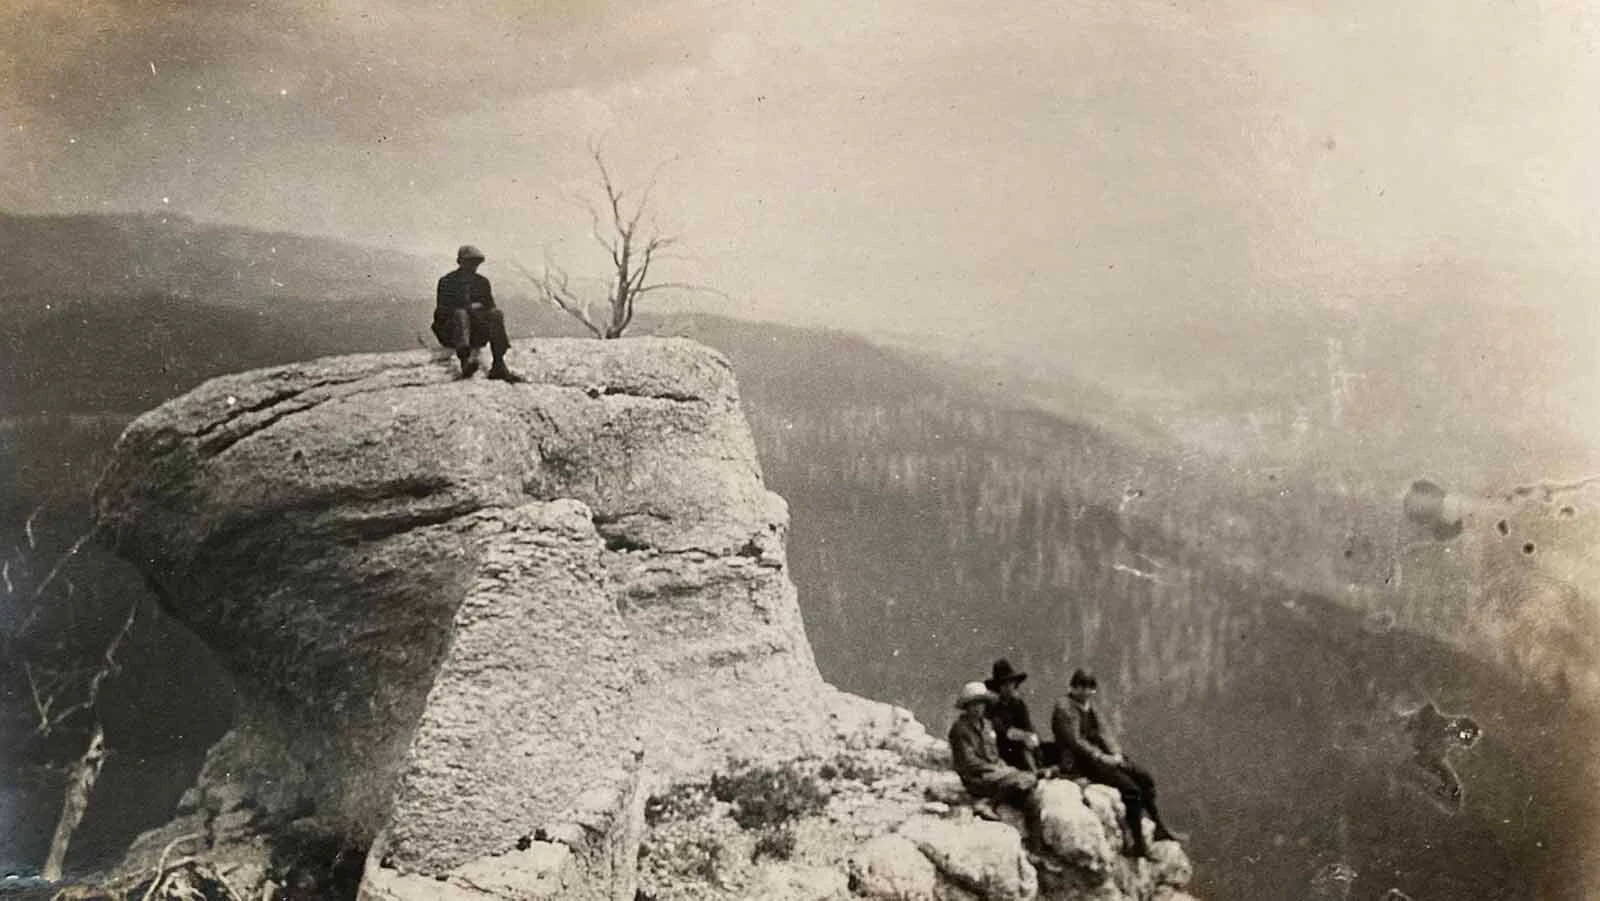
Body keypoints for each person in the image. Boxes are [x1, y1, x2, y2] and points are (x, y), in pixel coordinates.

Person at [1051, 669, 1173, 857]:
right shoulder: (1064, 708)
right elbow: (1076, 742)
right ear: (1073, 688)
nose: (1086, 692)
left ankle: (1159, 826)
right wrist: (1103, 757)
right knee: (1130, 789)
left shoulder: (1088, 707)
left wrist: (1116, 754)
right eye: (1081, 687)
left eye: (1090, 688)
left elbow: (1103, 732)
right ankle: (1138, 842)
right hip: (1080, 762)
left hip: (1098, 757)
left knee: (1143, 777)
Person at [948, 681, 1039, 819]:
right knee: (1026, 778)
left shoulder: (987, 726)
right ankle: (989, 803)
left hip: (994, 774)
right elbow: (968, 761)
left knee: (1030, 797)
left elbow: (994, 754)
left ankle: (1035, 839)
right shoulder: (960, 729)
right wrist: (994, 769)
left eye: (982, 703)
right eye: (974, 704)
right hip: (976, 778)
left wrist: (1001, 764)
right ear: (967, 706)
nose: (979, 708)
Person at [433, 244, 523, 382]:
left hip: (476, 331)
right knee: (460, 314)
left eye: (475, 263)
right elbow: (441, 313)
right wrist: (466, 308)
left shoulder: (482, 282)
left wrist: (478, 312)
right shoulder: (447, 282)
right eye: (468, 262)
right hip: (452, 332)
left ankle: (499, 363)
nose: (472, 266)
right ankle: (465, 362)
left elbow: (490, 307)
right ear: (460, 262)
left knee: (496, 314)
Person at [984, 659, 1047, 771]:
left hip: (1022, 740)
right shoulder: (992, 706)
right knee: (1021, 747)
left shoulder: (1018, 703)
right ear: (998, 687)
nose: (1009, 687)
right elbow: (1003, 731)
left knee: (1048, 746)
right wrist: (1025, 736)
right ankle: (1034, 772)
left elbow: (1028, 725)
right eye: (1004, 684)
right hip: (1004, 746)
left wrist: (1033, 736)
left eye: (1011, 683)